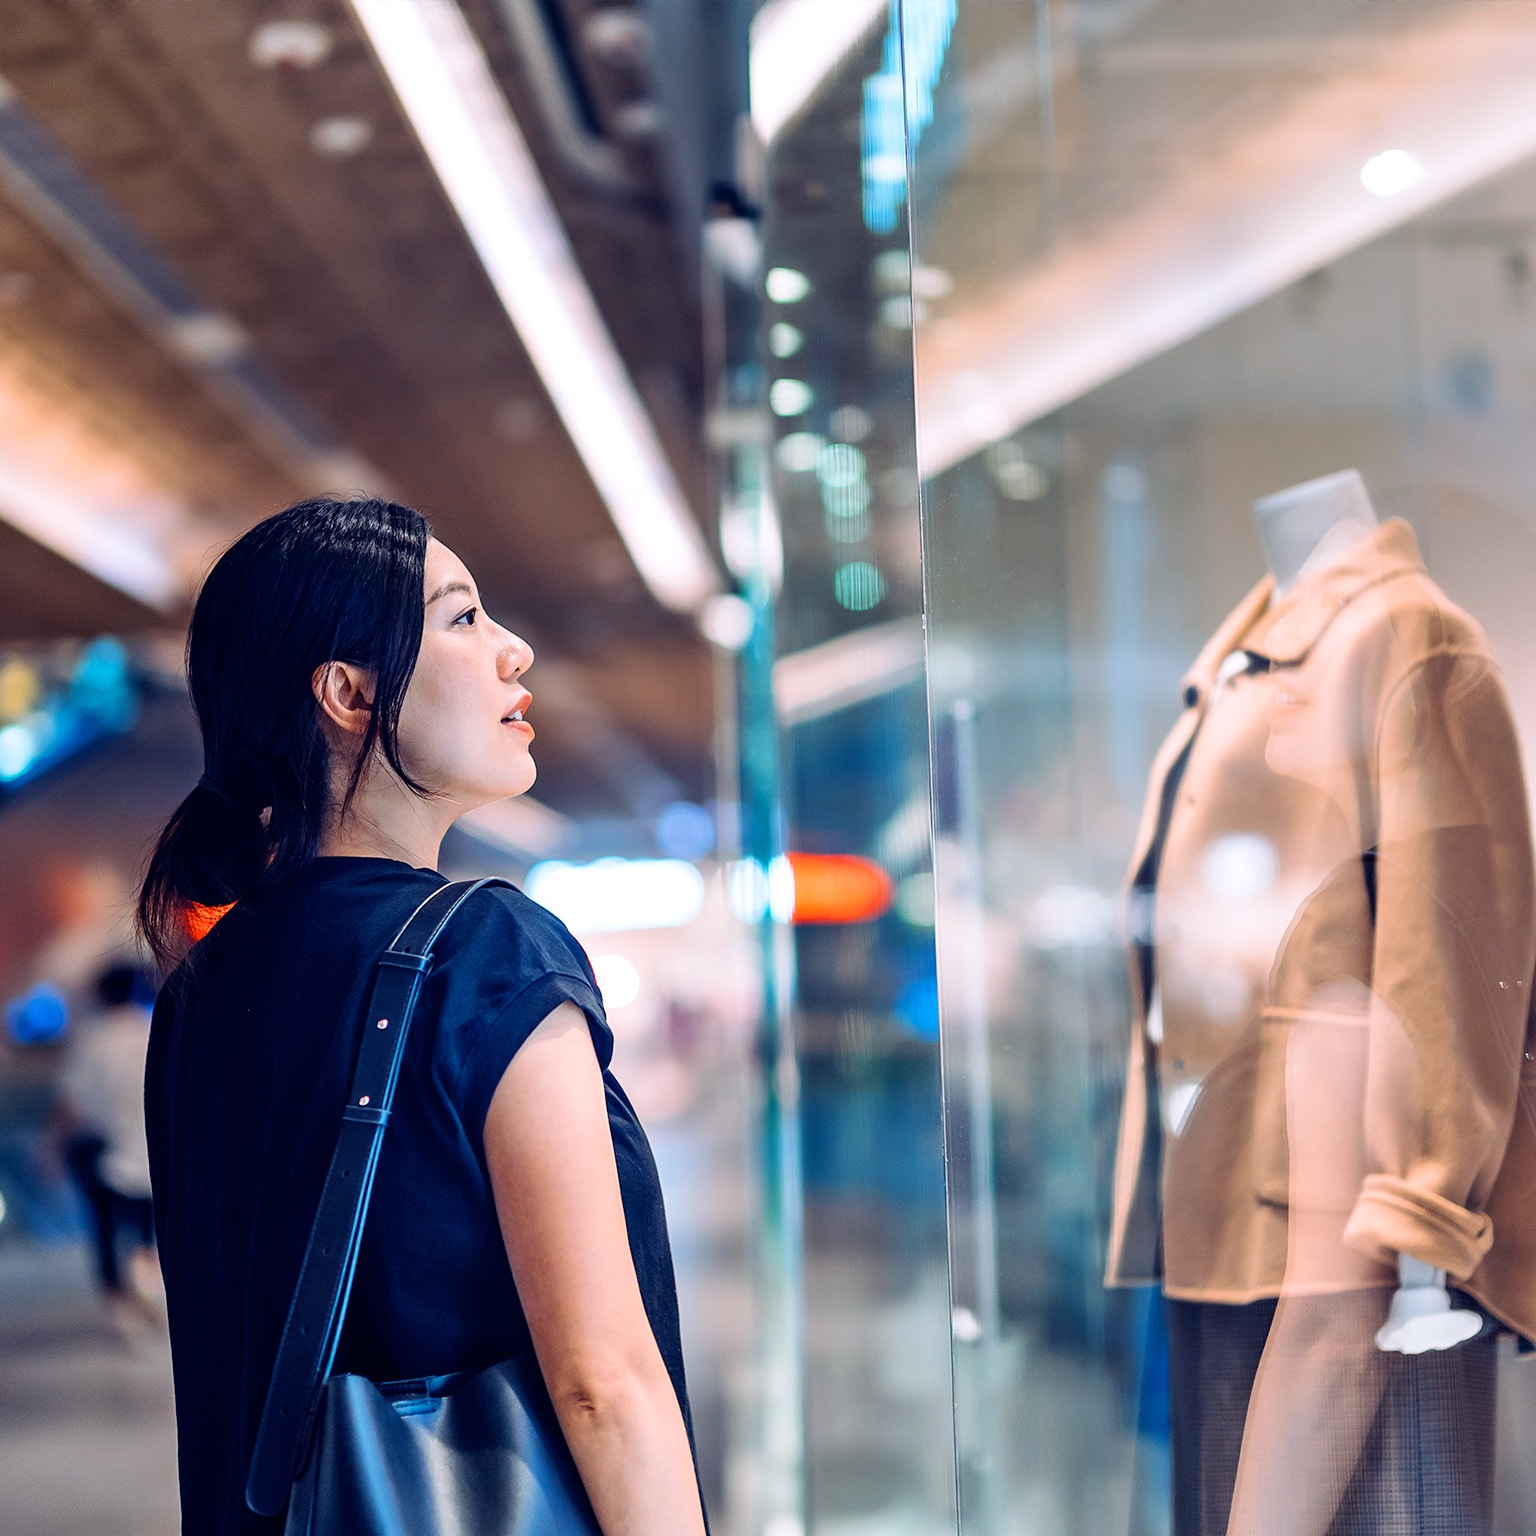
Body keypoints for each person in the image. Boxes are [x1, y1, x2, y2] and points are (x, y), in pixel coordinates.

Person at [137, 497, 707, 1536]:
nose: (512, 650)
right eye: (461, 619)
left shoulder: (197, 990)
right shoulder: (488, 954)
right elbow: (601, 1384)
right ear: (349, 694)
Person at [55, 960, 161, 1340]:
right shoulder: (154, 1032)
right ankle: (147, 1276)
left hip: (101, 1151)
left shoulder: (91, 1040)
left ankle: (121, 1303)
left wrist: (50, 1148)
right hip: (152, 1149)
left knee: (104, 1228)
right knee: (151, 1226)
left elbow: (72, 1105)